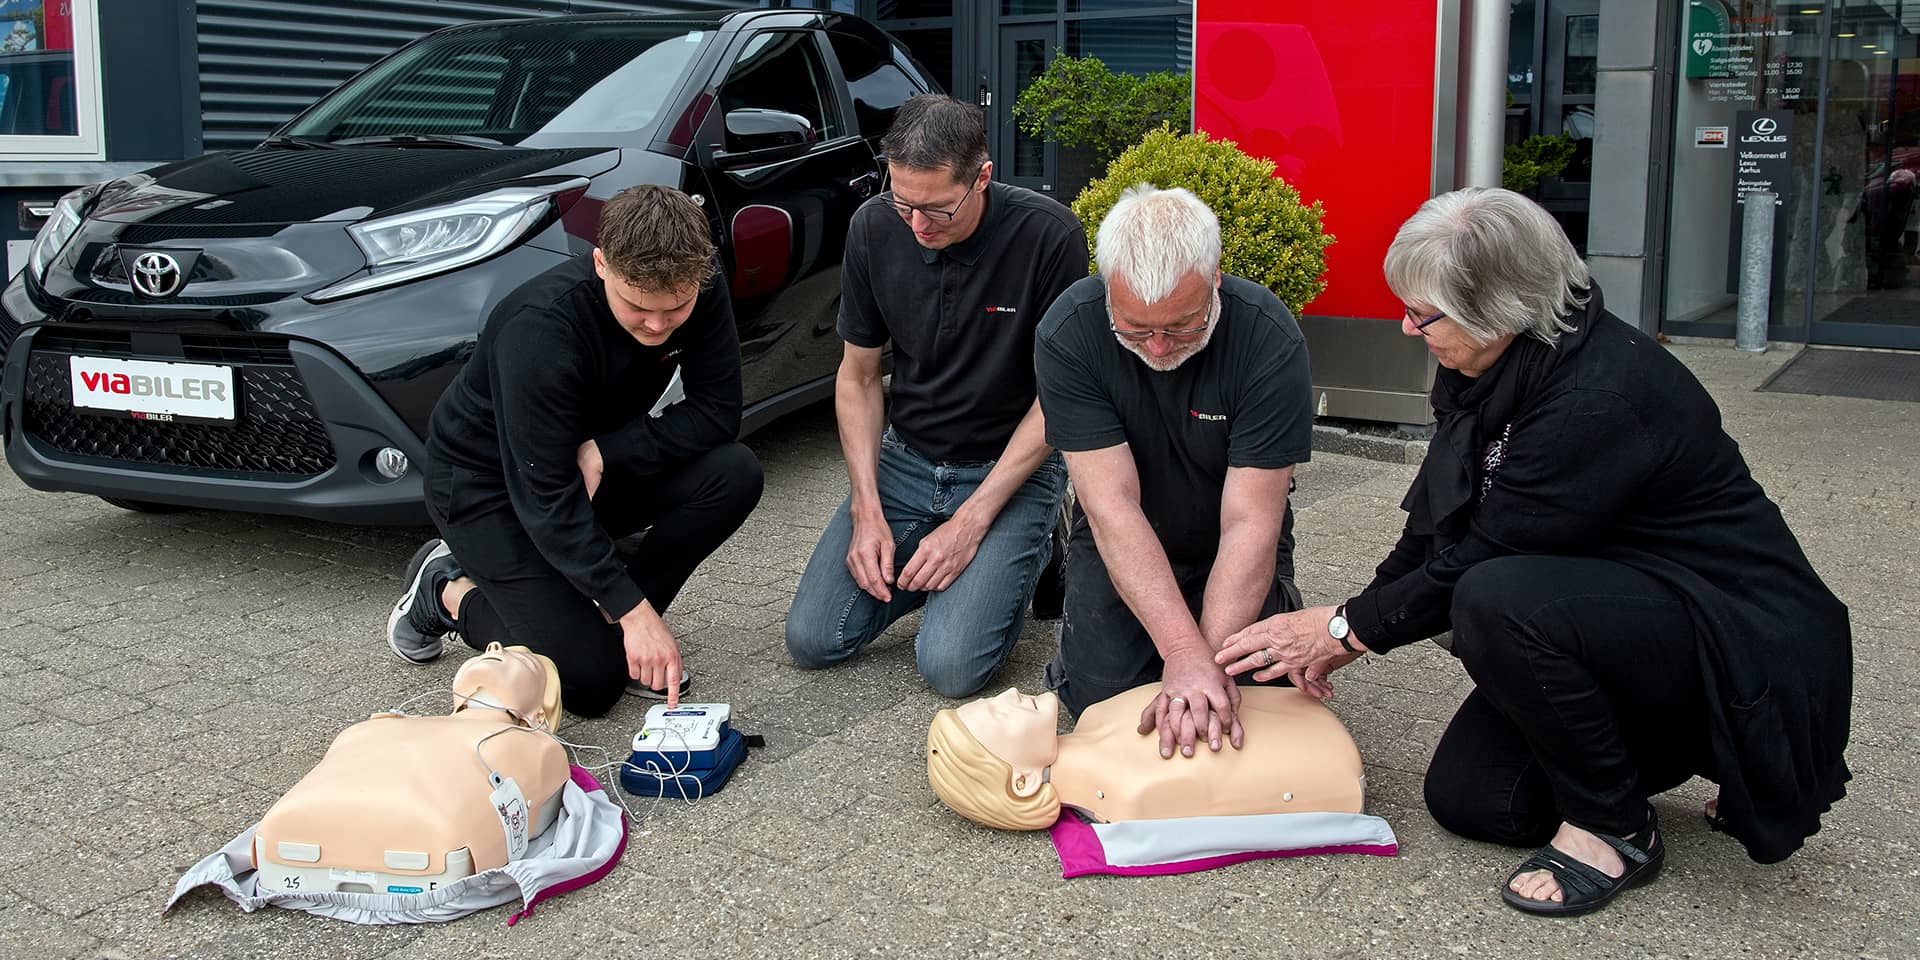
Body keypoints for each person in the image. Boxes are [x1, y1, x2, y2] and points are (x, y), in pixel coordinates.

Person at [1215, 187, 1853, 917]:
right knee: (1475, 802)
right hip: (1622, 612)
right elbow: (1434, 530)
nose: (1406, 325)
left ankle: (1619, 826)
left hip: (1727, 632)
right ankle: (1649, 756)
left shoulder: (1599, 397)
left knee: (1494, 600)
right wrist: (1350, 630)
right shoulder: (1487, 366)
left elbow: (1480, 559)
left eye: (1424, 314)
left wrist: (1345, 627)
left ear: (1500, 309)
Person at [386, 184, 764, 717]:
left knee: (734, 473)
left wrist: (608, 451)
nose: (657, 325)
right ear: (601, 263)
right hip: (488, 490)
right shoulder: (540, 328)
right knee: (589, 684)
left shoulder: (698, 285)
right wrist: (633, 611)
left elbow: (718, 413)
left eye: (675, 308)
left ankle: (612, 622)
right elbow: (546, 498)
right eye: (637, 307)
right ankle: (445, 591)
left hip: (586, 469)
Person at [784, 95, 1088, 697]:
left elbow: (1059, 401)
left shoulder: (1049, 237)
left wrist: (973, 523)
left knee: (949, 669)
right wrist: (865, 508)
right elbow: (859, 376)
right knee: (813, 640)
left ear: (982, 178)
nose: (919, 227)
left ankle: (1036, 543)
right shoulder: (874, 226)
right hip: (907, 460)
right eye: (904, 204)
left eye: (937, 210)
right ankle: (957, 565)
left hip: (1011, 470)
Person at [1033, 184, 1312, 760]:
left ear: (1213, 281)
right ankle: (1079, 653)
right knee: (1103, 705)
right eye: (1135, 329)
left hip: (1228, 537)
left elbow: (1251, 521)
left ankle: (1268, 610)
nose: (1158, 348)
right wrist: (1183, 656)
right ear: (1109, 290)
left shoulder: (1269, 338)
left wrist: (1200, 671)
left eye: (1182, 326)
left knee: (1248, 709)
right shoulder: (1069, 332)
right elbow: (1111, 506)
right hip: (1126, 532)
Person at [927, 684, 1366, 830]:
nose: (1008, 694)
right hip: (1329, 764)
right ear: (1021, 782)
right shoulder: (1130, 796)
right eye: (997, 716)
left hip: (1299, 709)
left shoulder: (1097, 715)